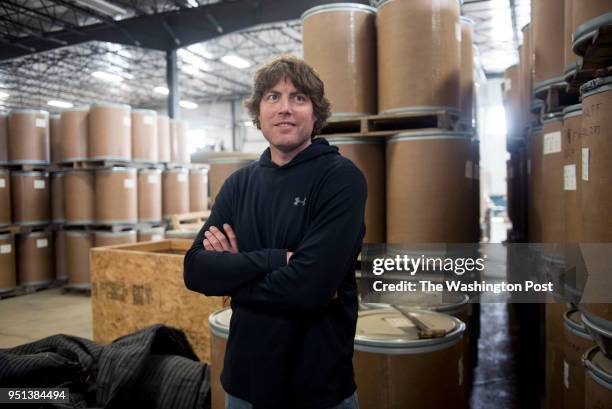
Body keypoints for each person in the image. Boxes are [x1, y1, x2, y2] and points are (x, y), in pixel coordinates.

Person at [183, 55, 366, 409]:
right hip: (243, 384)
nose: (285, 108)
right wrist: (276, 260)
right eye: (272, 97)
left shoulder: (340, 179)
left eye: (298, 97)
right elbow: (195, 270)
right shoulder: (238, 184)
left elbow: (308, 289)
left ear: (315, 113)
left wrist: (234, 274)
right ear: (258, 113)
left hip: (317, 387)